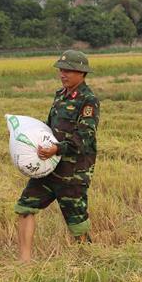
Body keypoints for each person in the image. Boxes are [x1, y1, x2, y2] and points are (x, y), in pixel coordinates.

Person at [14, 50, 99, 262]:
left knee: (77, 222)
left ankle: (88, 262)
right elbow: (48, 128)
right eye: (61, 70)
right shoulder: (60, 95)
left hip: (73, 172)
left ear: (81, 72)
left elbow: (85, 136)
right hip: (48, 167)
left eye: (68, 70)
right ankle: (24, 262)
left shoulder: (88, 101)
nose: (63, 74)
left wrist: (57, 149)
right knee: (25, 206)